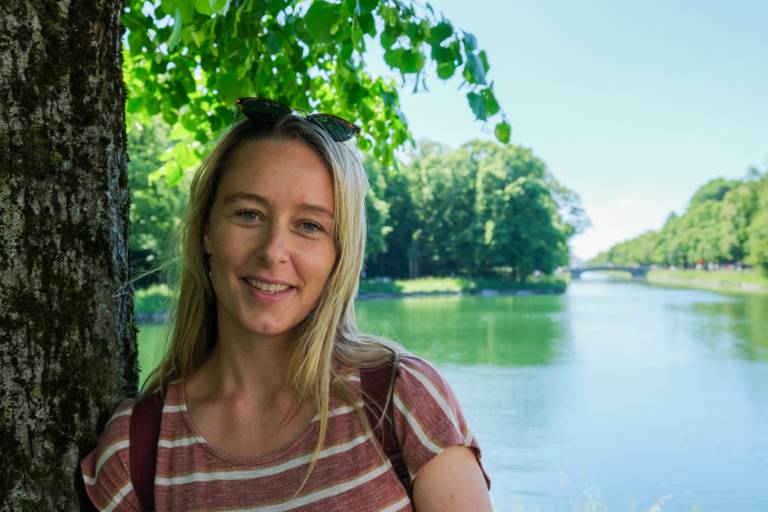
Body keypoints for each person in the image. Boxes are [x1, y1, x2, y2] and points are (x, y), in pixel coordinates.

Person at [81, 97, 492, 511]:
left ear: (340, 252)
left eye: (309, 225)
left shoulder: (400, 400)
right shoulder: (136, 453)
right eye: (248, 214)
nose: (274, 251)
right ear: (207, 230)